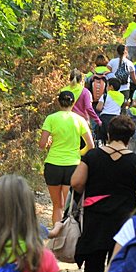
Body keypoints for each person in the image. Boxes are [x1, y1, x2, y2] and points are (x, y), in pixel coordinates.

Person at [69, 116, 136, 272]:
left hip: (96, 217)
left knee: (93, 265)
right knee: (118, 266)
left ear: (109, 134)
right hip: (124, 220)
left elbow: (76, 182)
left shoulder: (92, 156)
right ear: (130, 137)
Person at [39, 90, 95, 237]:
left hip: (53, 165)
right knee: (68, 207)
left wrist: (50, 142)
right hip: (73, 166)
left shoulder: (51, 119)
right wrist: (79, 153)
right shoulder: (80, 120)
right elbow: (91, 145)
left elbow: (42, 144)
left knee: (57, 205)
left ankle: (55, 237)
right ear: (73, 102)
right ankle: (66, 237)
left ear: (59, 102)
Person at [95, 78, 126, 143]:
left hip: (105, 118)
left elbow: (98, 108)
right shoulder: (122, 96)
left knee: (103, 138)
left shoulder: (105, 95)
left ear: (111, 87)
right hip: (116, 119)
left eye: (107, 85)